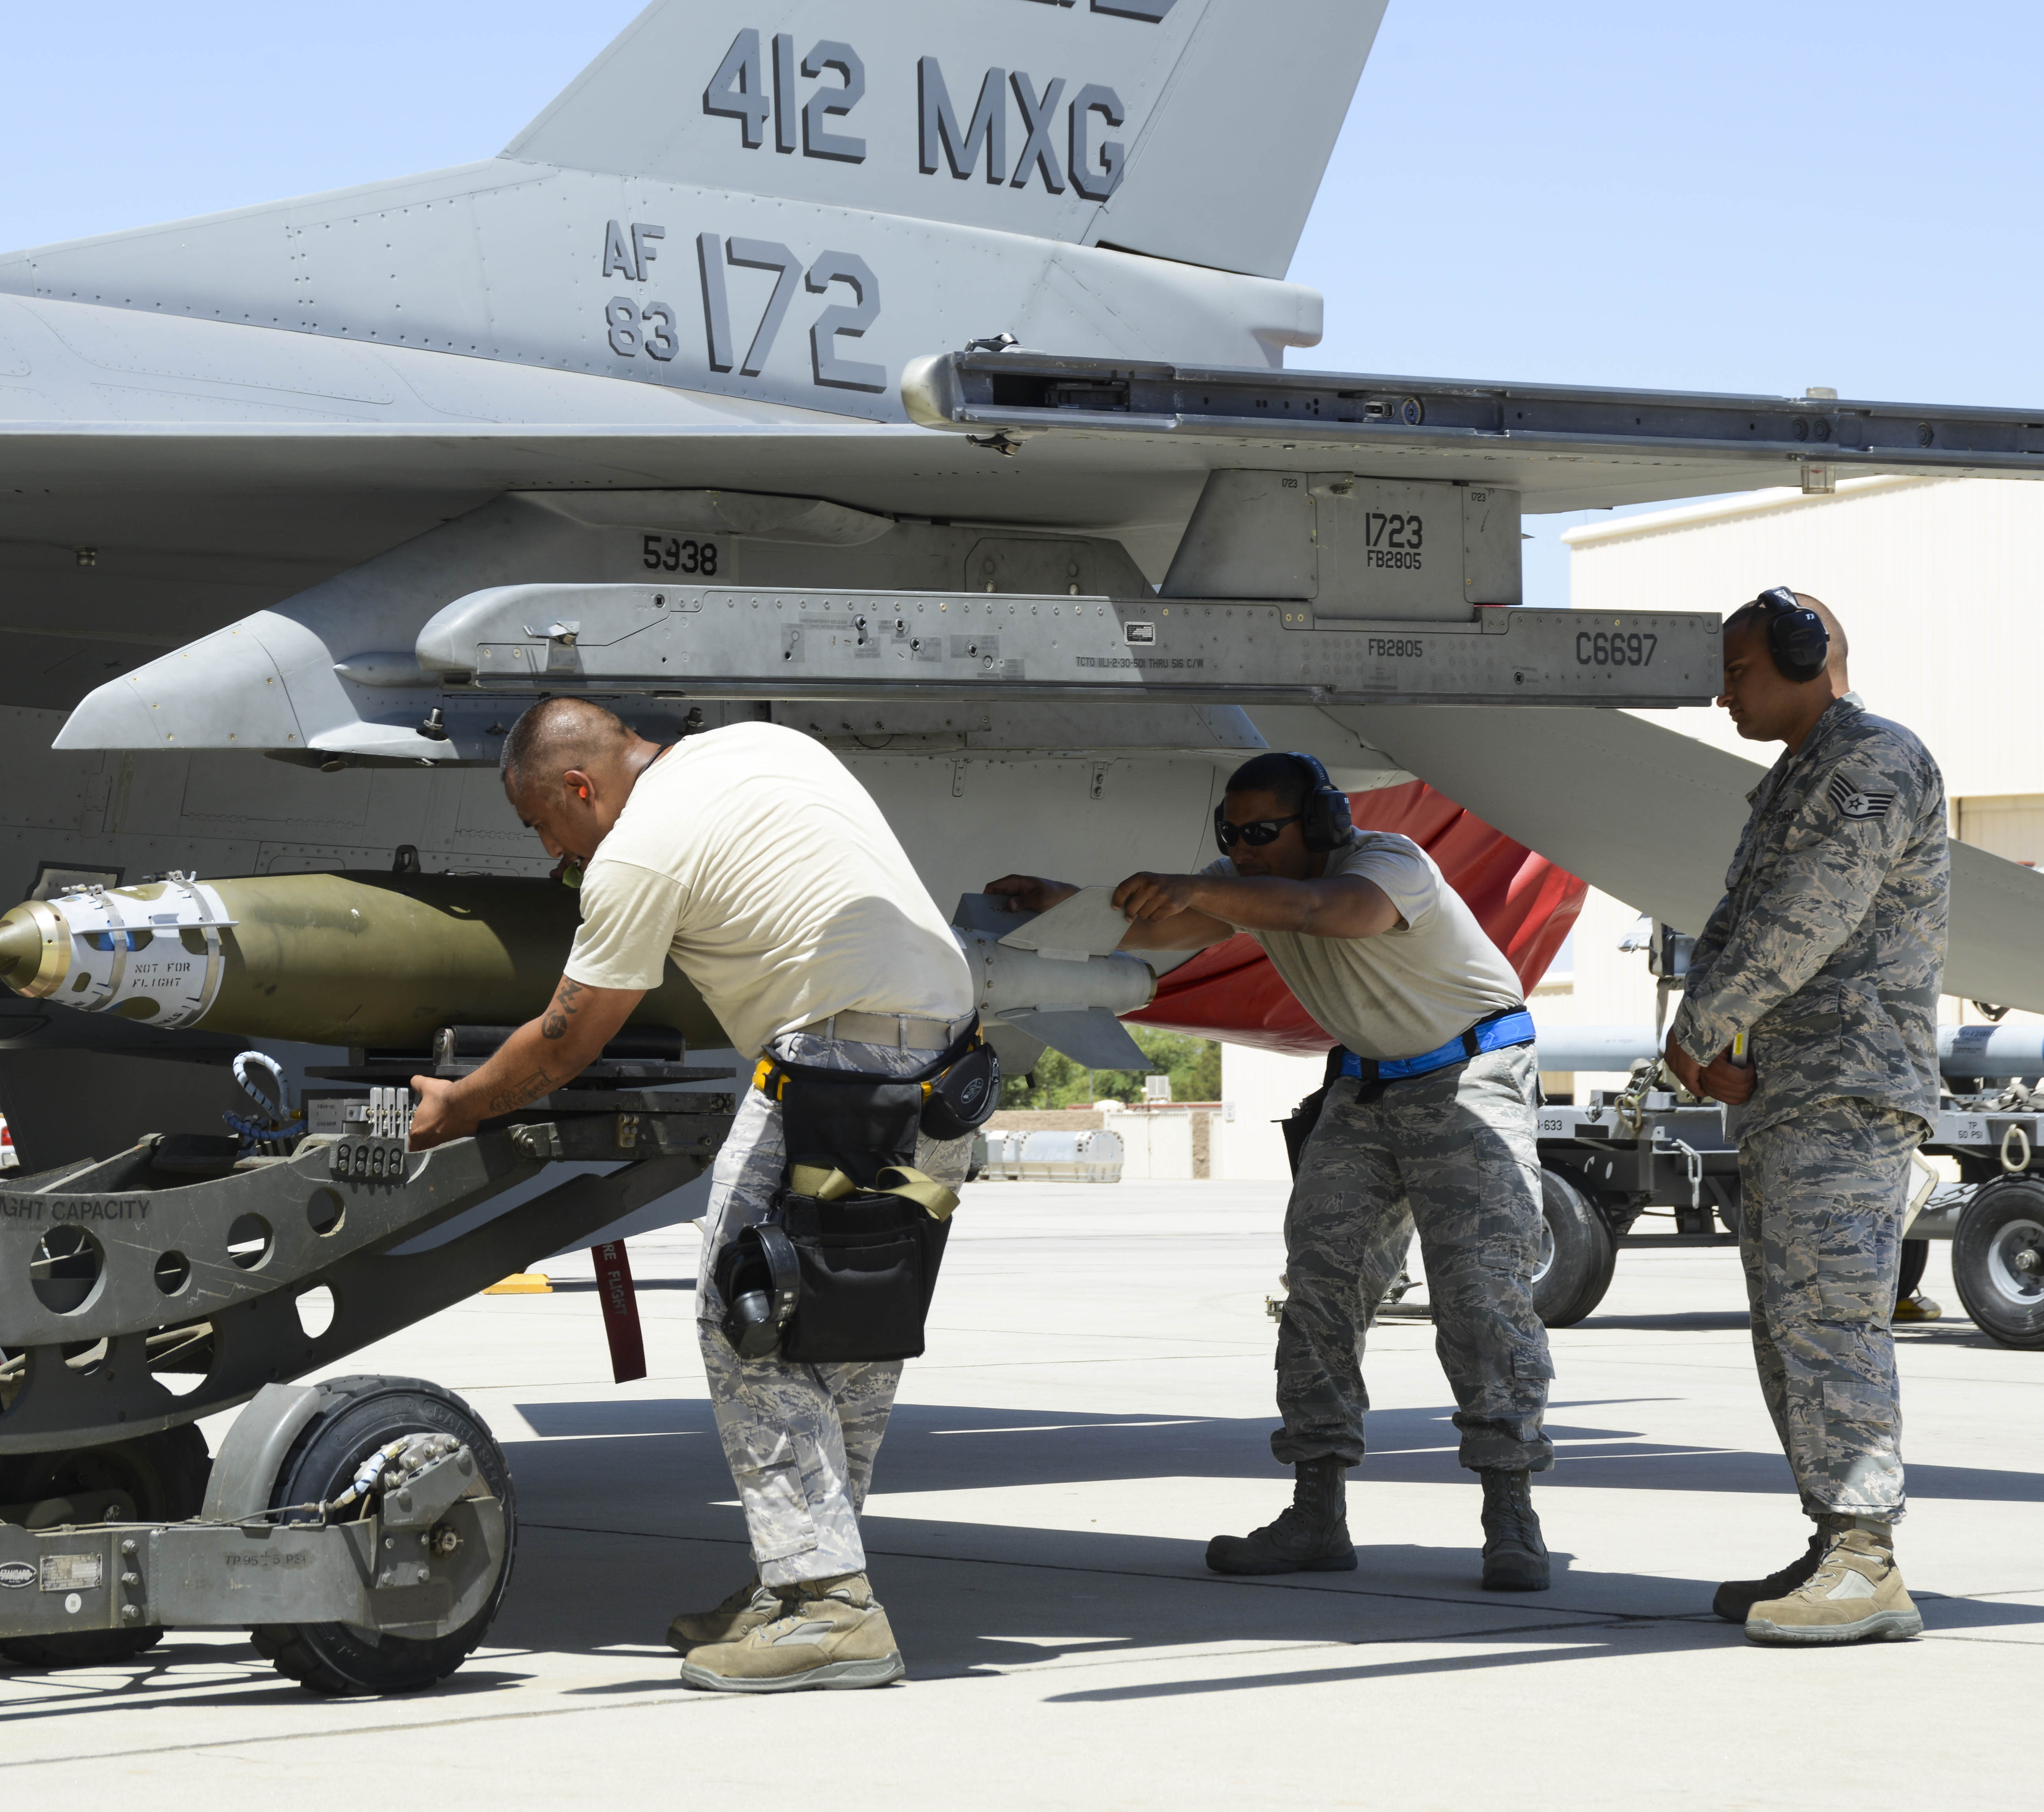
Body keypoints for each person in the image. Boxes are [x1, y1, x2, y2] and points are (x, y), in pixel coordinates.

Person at [405, 697, 975, 1692]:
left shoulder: (637, 851)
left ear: (580, 786)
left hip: (835, 1068)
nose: (551, 850)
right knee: (849, 1328)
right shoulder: (757, 746)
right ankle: (805, 1585)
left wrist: (460, 1104)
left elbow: (567, 1039)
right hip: (946, 1070)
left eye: (544, 822)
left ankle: (827, 1606)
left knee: (748, 1315)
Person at [990, 749, 1558, 1590]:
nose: (1242, 850)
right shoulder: (1245, 885)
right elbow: (1162, 930)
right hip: (1363, 1087)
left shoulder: (1388, 863)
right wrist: (1061, 906)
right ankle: (1315, 1513)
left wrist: (1199, 887)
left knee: (1479, 1293)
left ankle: (1510, 1513)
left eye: (1261, 832)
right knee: (1319, 1292)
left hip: (1468, 1079)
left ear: (1323, 822)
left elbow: (1333, 911)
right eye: (1230, 834)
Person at [1664, 588, 1945, 1646]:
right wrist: (1722, 1037)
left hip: (1846, 1091)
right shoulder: (1797, 773)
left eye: (1738, 671)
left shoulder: (1873, 761)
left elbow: (1801, 918)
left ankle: (1866, 1558)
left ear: (1803, 656)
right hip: (1794, 1090)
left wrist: (1701, 1025)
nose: (1723, 693)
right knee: (1789, 1328)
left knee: (1829, 1321)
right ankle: (1836, 1535)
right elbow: (1735, 922)